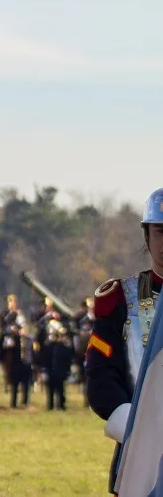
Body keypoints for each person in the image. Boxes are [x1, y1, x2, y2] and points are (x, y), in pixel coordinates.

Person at [86, 187, 163, 493]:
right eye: (160, 231)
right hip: (139, 450)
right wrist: (138, 429)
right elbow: (100, 375)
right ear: (146, 237)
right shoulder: (121, 299)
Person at [43, 320, 73, 411]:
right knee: (50, 390)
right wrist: (44, 370)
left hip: (60, 371)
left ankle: (61, 405)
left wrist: (68, 370)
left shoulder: (64, 347)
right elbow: (45, 360)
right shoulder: (48, 346)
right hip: (50, 371)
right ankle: (51, 405)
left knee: (61, 390)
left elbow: (68, 358)